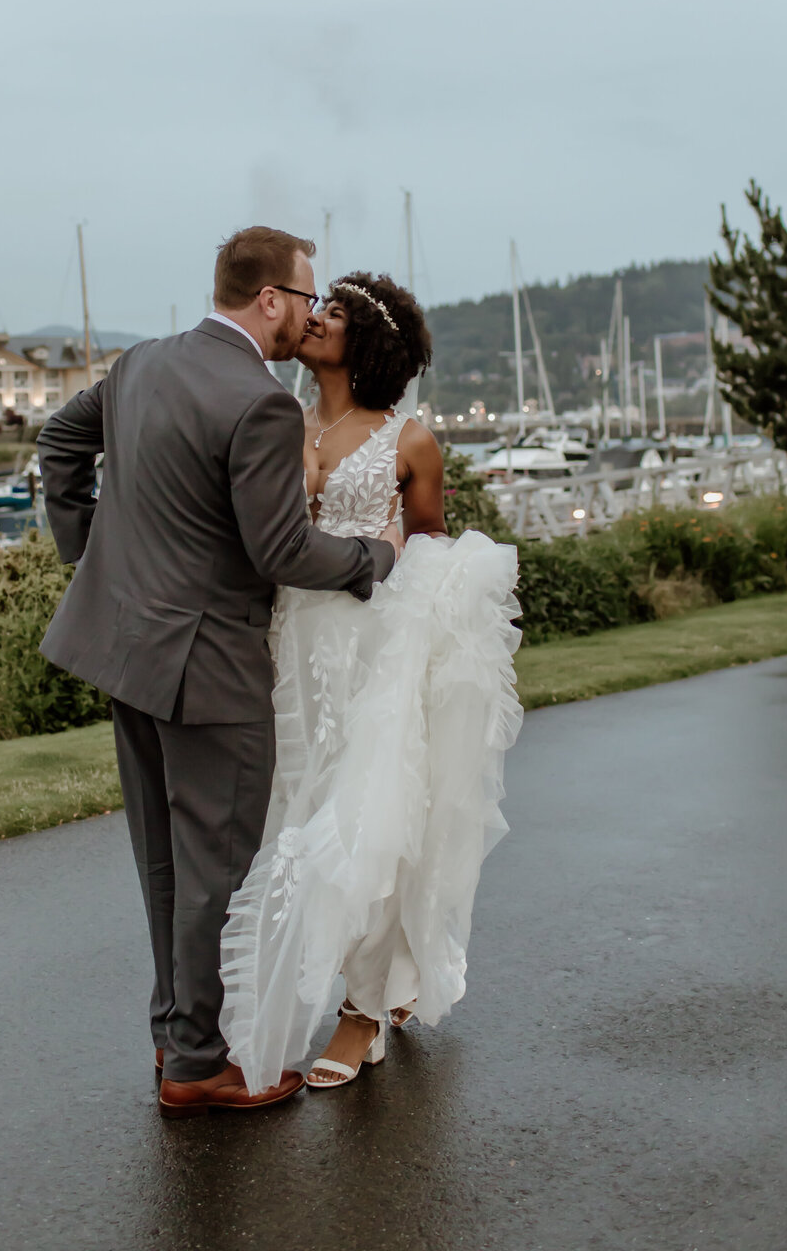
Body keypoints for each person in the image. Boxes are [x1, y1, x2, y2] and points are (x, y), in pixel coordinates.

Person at [36, 227, 399, 1118]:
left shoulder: (139, 365)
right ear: (269, 299)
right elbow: (281, 550)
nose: (311, 316)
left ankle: (175, 1038)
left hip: (123, 651)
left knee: (163, 863)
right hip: (209, 668)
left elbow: (58, 446)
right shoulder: (260, 403)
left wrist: (93, 560)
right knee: (215, 870)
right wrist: (373, 558)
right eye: (308, 298)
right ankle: (198, 1063)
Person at [219, 273, 523, 1094]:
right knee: (299, 810)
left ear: (371, 343)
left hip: (371, 650)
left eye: (337, 313)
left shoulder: (409, 441)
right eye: (319, 307)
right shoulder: (278, 419)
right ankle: (333, 983)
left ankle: (360, 1012)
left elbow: (429, 550)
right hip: (288, 644)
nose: (316, 320)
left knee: (369, 812)